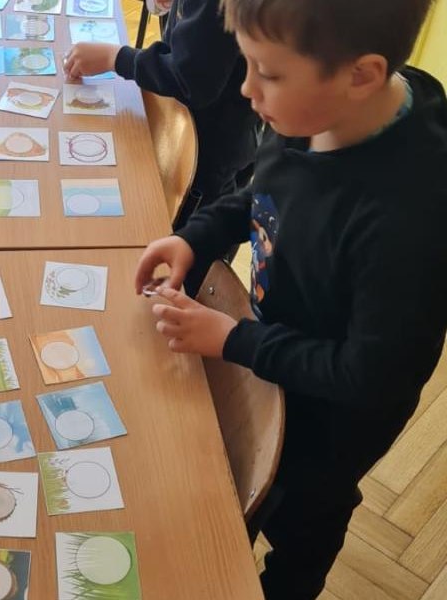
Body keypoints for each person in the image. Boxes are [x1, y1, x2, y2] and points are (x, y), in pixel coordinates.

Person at [134, 0, 446, 598]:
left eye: (268, 73)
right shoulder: (312, 109)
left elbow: (371, 375)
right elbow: (266, 190)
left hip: (332, 420)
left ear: (362, 75)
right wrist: (195, 237)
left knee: (301, 518)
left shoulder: (411, 223)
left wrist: (234, 339)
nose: (246, 88)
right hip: (271, 353)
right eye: (247, 62)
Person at [62, 0, 260, 229]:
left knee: (194, 232)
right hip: (200, 129)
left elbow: (191, 79)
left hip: (205, 151)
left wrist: (115, 58)